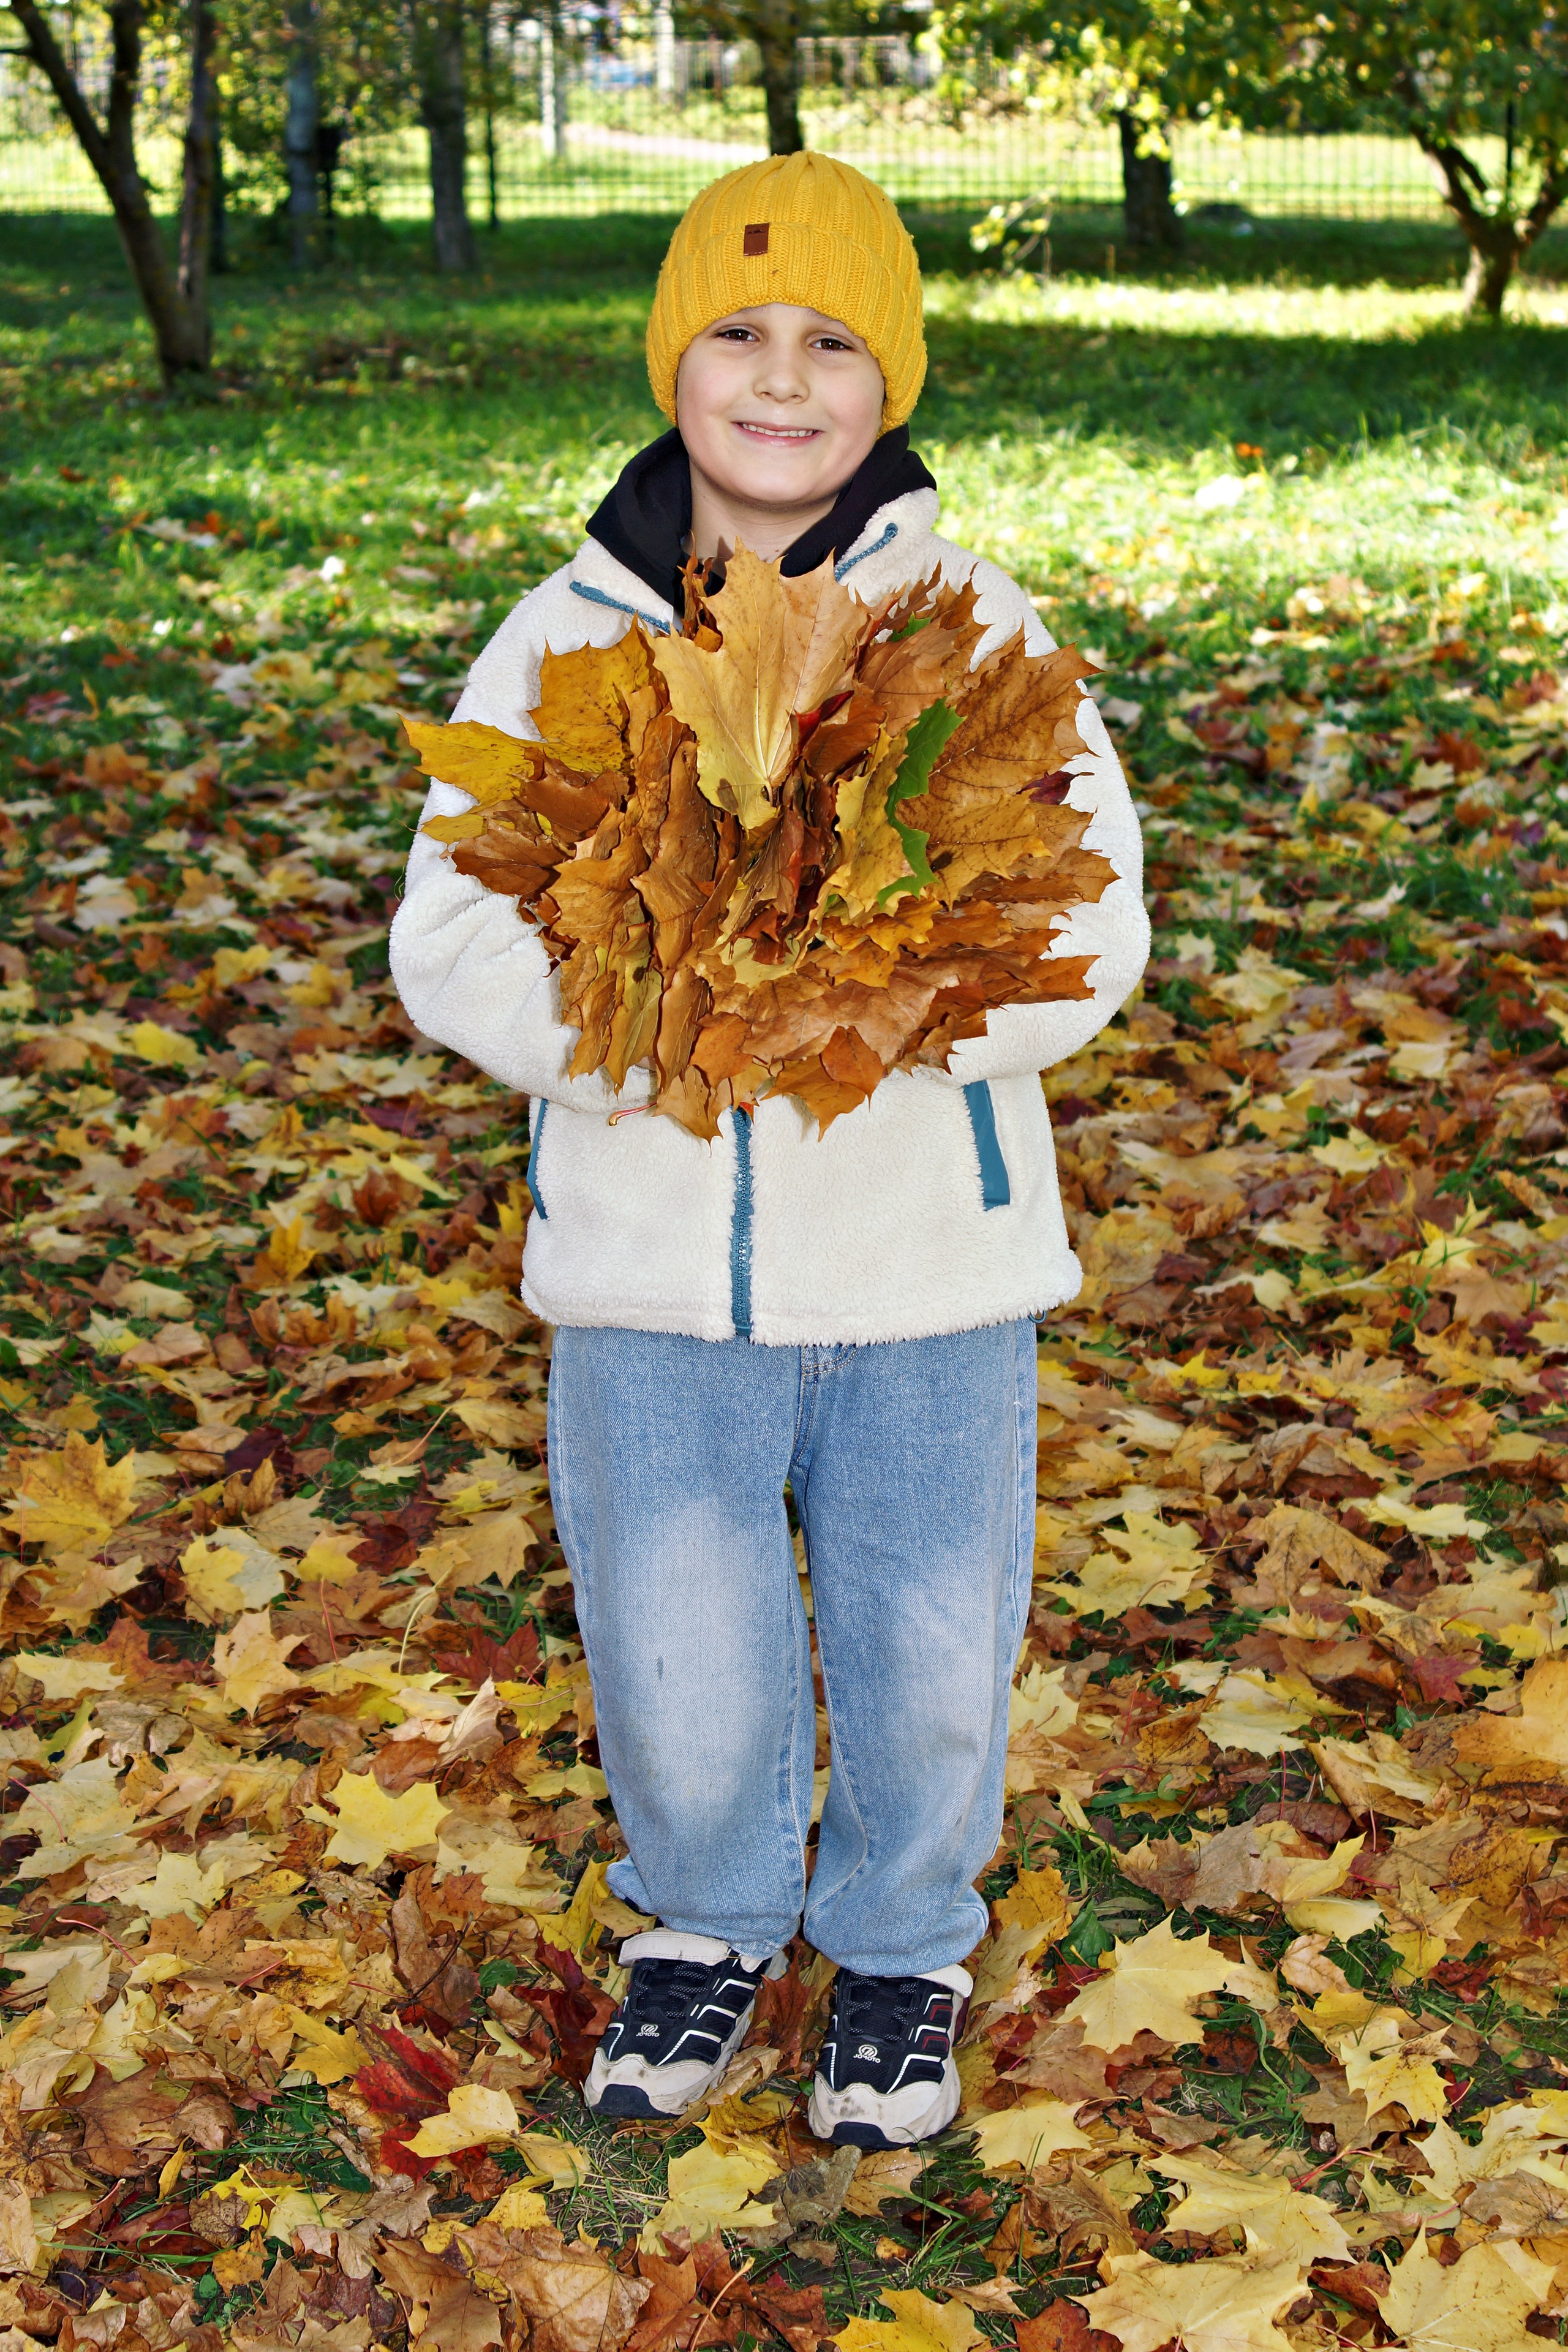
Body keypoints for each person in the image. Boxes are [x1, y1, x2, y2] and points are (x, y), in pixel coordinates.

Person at [390, 152, 1148, 2150]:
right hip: (649, 1273)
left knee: (925, 1627)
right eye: (738, 332)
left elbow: (1092, 923)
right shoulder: (562, 641)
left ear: (888, 381)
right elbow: (455, 936)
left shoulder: (976, 631)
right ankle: (706, 1921)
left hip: (927, 1269)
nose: (783, 378)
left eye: (833, 340)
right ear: (674, 364)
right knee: (675, 1633)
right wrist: (661, 1034)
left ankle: (902, 1944)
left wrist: (864, 1001)